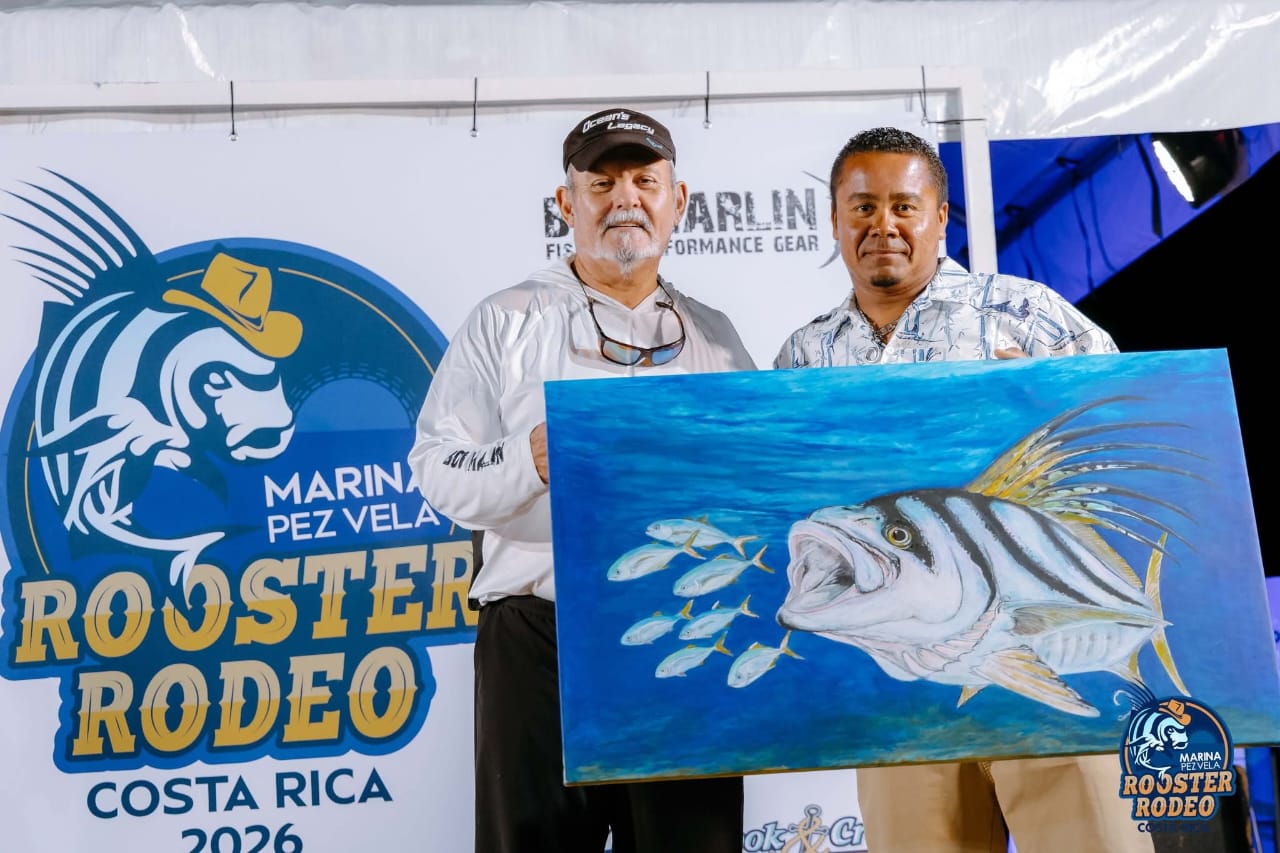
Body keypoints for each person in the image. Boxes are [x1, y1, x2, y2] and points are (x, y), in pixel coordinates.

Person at [774, 127, 1148, 853]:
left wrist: (1045, 396)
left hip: (1044, 660)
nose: (883, 224)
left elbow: (1120, 432)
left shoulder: (1024, 312)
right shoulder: (802, 355)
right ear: (834, 220)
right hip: (907, 694)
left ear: (941, 218)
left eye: (904, 206)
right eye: (862, 207)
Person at [409, 107, 754, 853]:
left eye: (644, 180)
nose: (624, 197)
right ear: (566, 204)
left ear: (678, 199)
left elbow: (749, 478)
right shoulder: (503, 321)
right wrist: (524, 460)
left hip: (681, 628)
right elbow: (434, 467)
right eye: (600, 182)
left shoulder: (716, 336)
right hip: (539, 637)